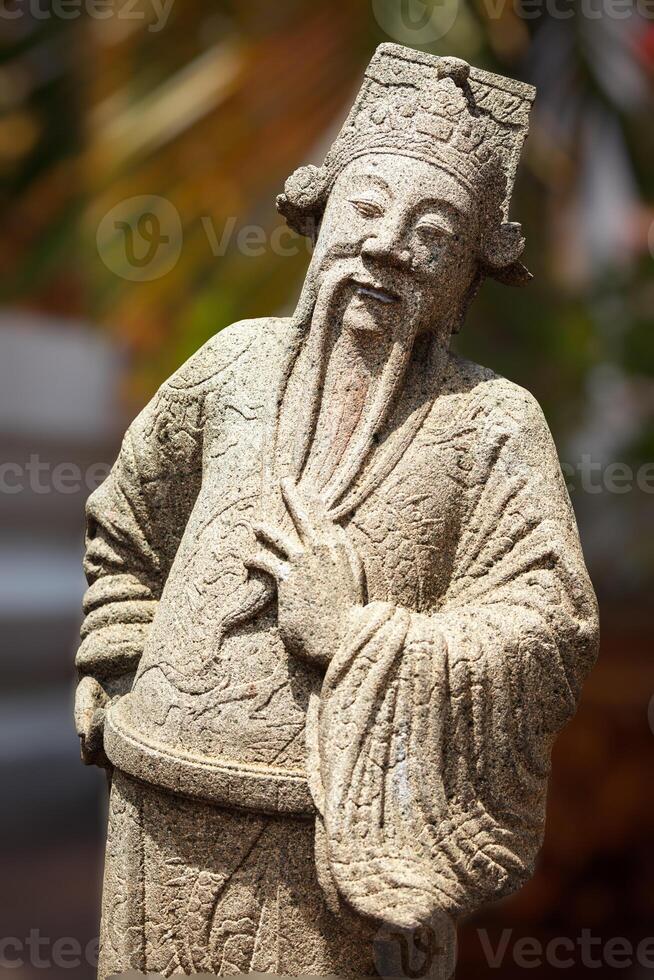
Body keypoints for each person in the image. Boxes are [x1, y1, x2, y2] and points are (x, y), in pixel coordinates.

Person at [75, 44, 599, 979]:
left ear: (472, 270)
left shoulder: (488, 427)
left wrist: (359, 634)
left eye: (433, 233)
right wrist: (117, 661)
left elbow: (553, 629)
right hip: (153, 803)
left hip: (329, 855)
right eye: (365, 208)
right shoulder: (233, 365)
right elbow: (129, 523)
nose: (389, 243)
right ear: (317, 217)